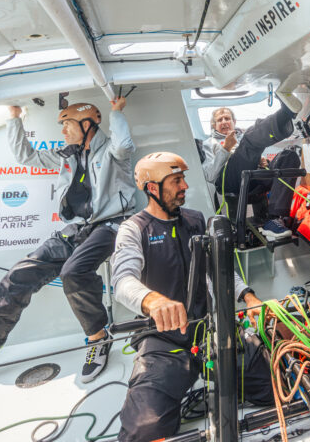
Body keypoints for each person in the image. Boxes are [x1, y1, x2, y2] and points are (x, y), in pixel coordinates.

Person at [0, 98, 136, 381]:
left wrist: (116, 113)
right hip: (76, 229)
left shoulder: (111, 151)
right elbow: (26, 156)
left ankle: (98, 338)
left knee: (74, 273)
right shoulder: (65, 155)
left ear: (87, 124)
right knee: (17, 277)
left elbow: (123, 145)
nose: (63, 131)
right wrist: (14, 117)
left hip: (112, 225)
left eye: (67, 124)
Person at [111, 152, 272, 441]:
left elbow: (220, 271)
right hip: (164, 342)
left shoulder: (196, 220)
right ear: (152, 188)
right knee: (143, 431)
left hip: (211, 331)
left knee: (274, 386)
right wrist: (152, 300)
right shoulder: (134, 229)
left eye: (183, 178)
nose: (184, 185)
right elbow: (123, 281)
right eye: (176, 180)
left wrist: (248, 297)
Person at [201, 103, 300, 239]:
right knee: (249, 140)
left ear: (234, 122)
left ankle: (274, 218)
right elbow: (210, 175)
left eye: (227, 118)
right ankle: (284, 115)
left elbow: (251, 153)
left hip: (253, 177)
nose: (224, 122)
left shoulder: (242, 137)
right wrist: (226, 149)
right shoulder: (209, 143)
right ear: (213, 125)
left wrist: (264, 162)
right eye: (219, 120)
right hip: (230, 181)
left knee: (289, 156)